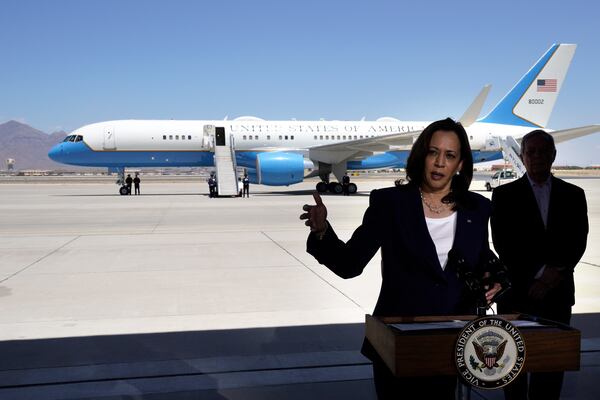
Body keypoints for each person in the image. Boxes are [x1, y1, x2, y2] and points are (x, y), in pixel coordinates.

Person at [300, 118, 501, 399]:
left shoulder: (478, 208)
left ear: (461, 164)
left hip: (452, 341)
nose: (440, 162)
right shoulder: (390, 204)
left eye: (450, 155)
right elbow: (349, 264)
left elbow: (482, 259)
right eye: (433, 152)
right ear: (421, 156)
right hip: (397, 341)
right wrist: (322, 231)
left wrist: (497, 279)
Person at [491, 130, 588, 400]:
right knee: (513, 371)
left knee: (551, 369)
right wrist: (539, 274)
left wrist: (552, 277)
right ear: (522, 156)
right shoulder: (503, 196)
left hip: (557, 294)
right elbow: (504, 244)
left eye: (543, 151)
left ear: (553, 155)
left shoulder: (574, 194)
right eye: (531, 152)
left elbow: (578, 240)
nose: (537, 157)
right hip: (518, 294)